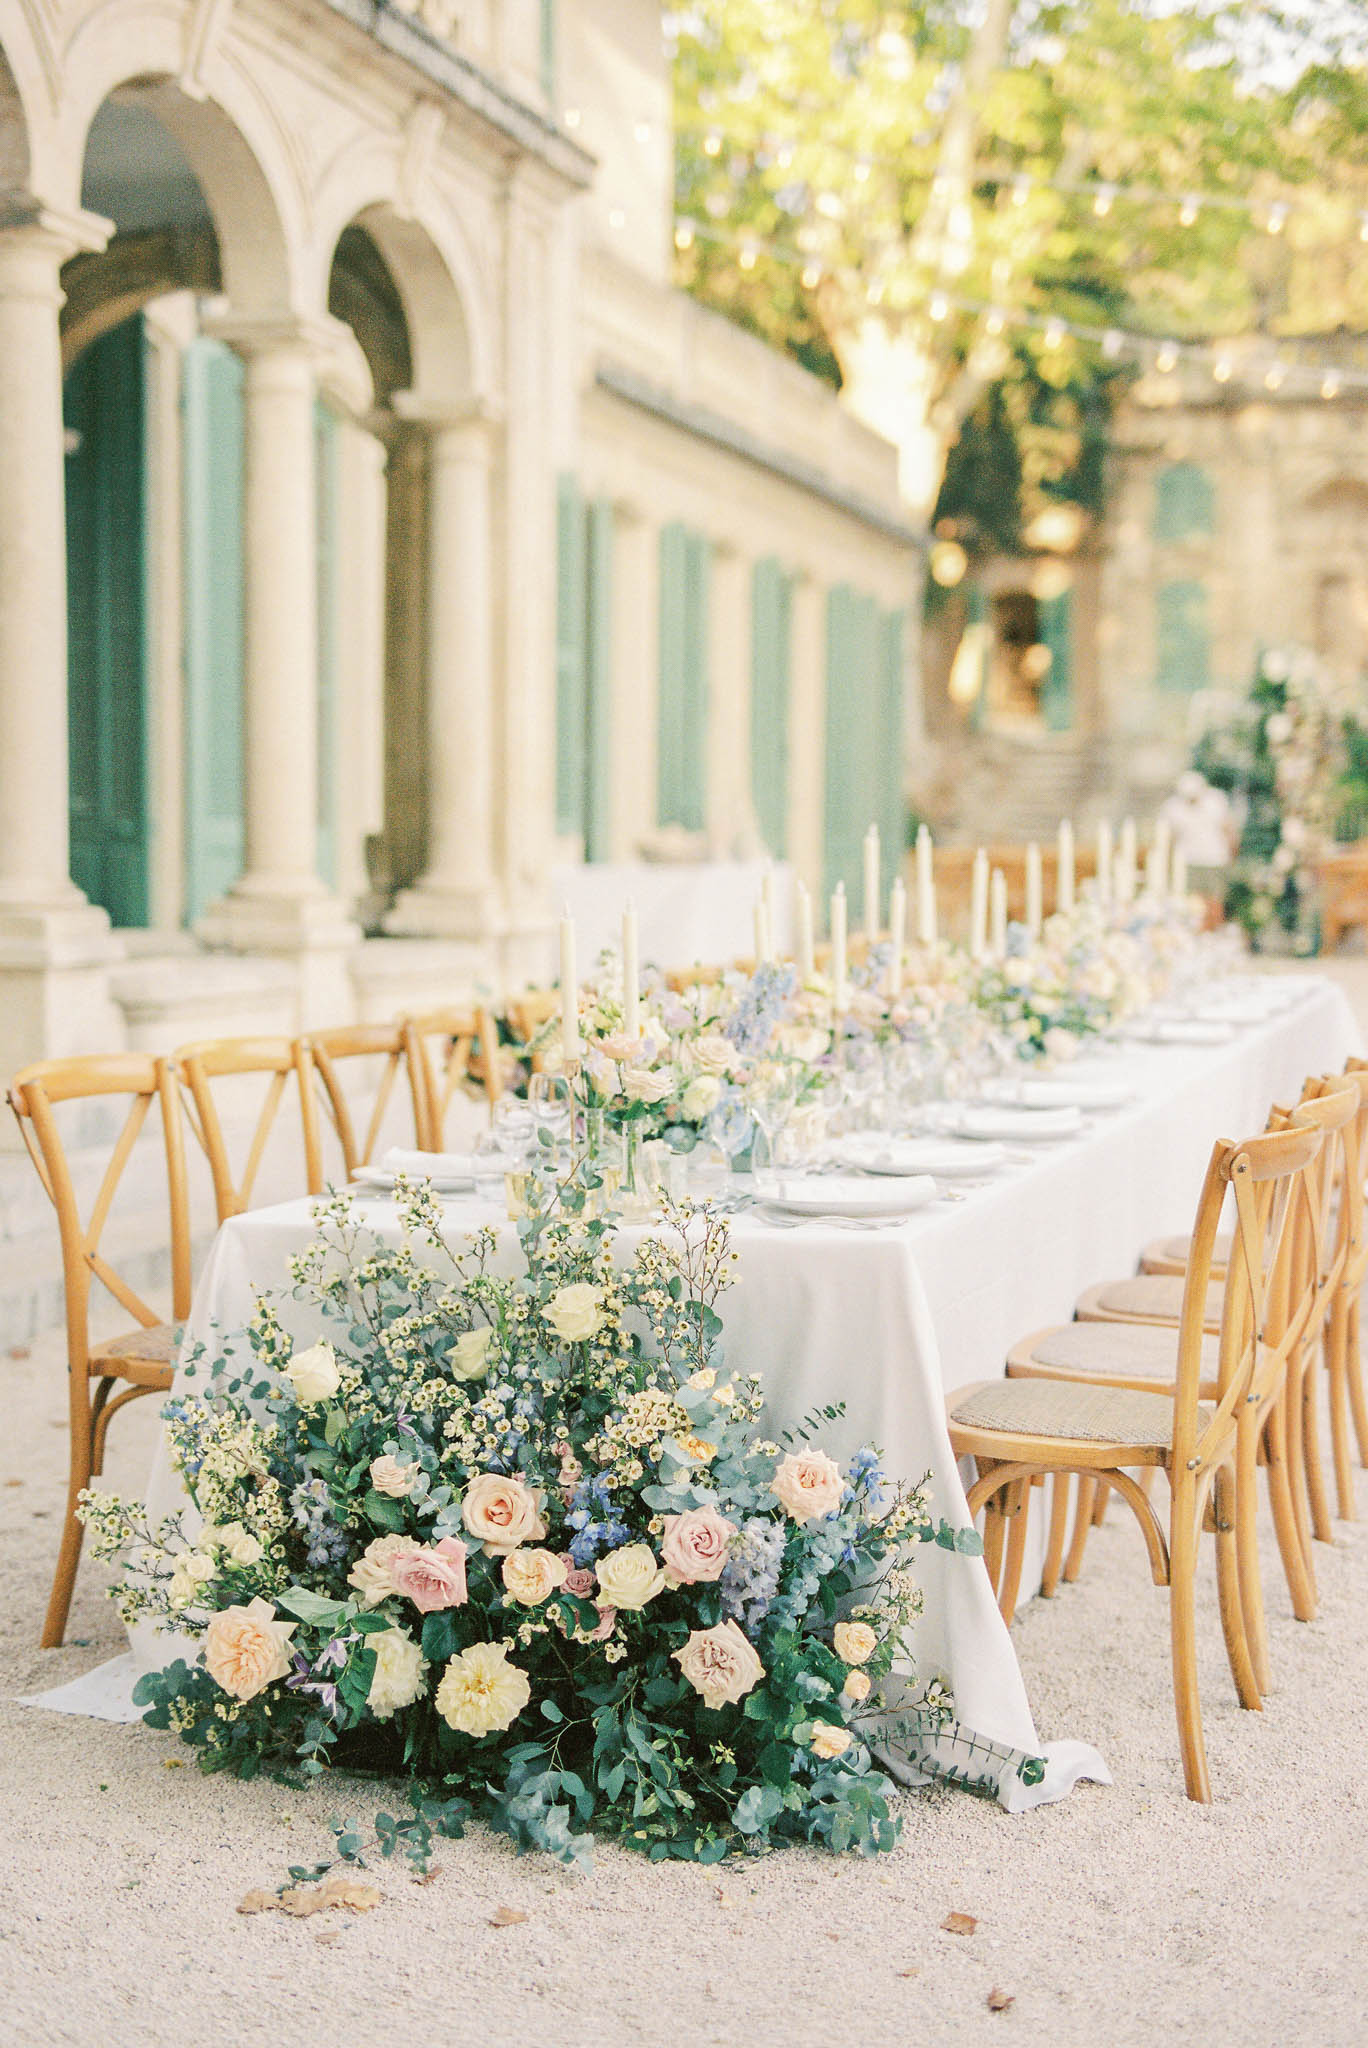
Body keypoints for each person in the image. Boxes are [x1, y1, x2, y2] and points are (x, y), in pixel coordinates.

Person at [1159, 769, 1236, 922]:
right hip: (1188, 859)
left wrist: (1232, 853)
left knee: (1215, 900)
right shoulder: (1172, 807)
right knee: (1192, 902)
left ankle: (1215, 932)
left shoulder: (1216, 800)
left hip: (1215, 858)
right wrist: (1167, 862)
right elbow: (1169, 837)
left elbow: (1228, 829)